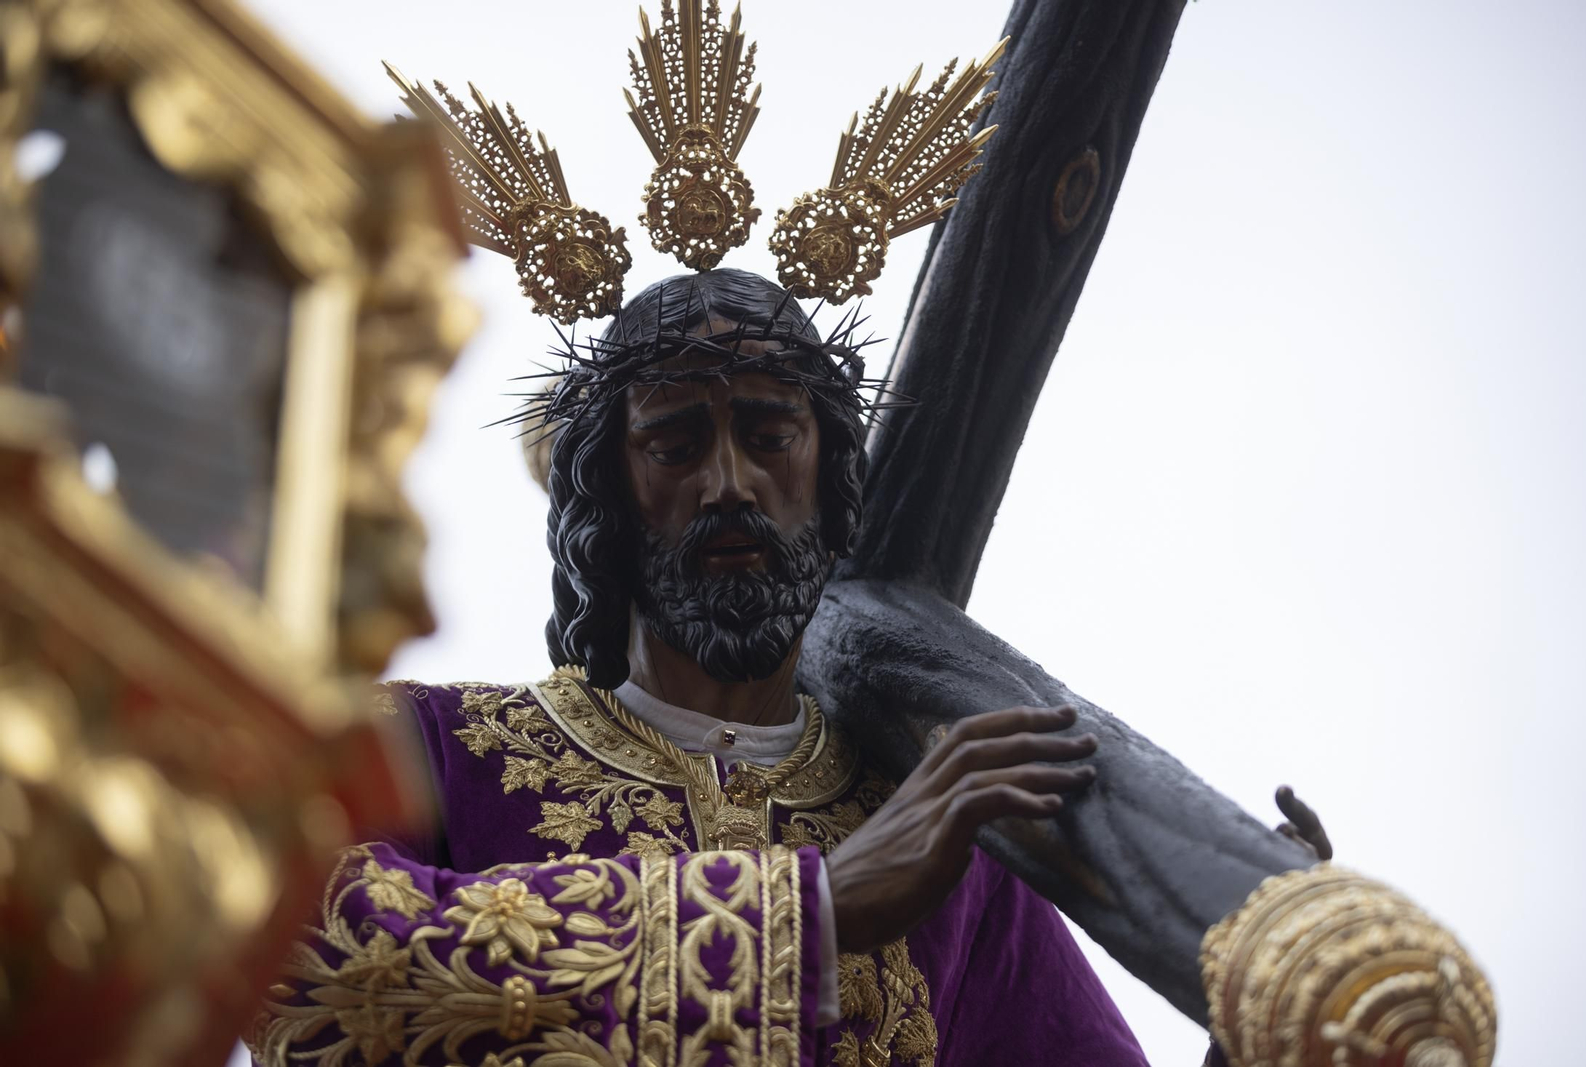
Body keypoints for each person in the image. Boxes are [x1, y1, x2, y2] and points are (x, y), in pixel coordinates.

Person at [245, 269, 1150, 1067]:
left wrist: (1272, 1015)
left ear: (831, 476)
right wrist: (810, 913)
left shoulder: (946, 840)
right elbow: (295, 955)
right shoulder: (425, 747)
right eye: (675, 444)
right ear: (607, 491)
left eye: (770, 436)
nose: (729, 482)